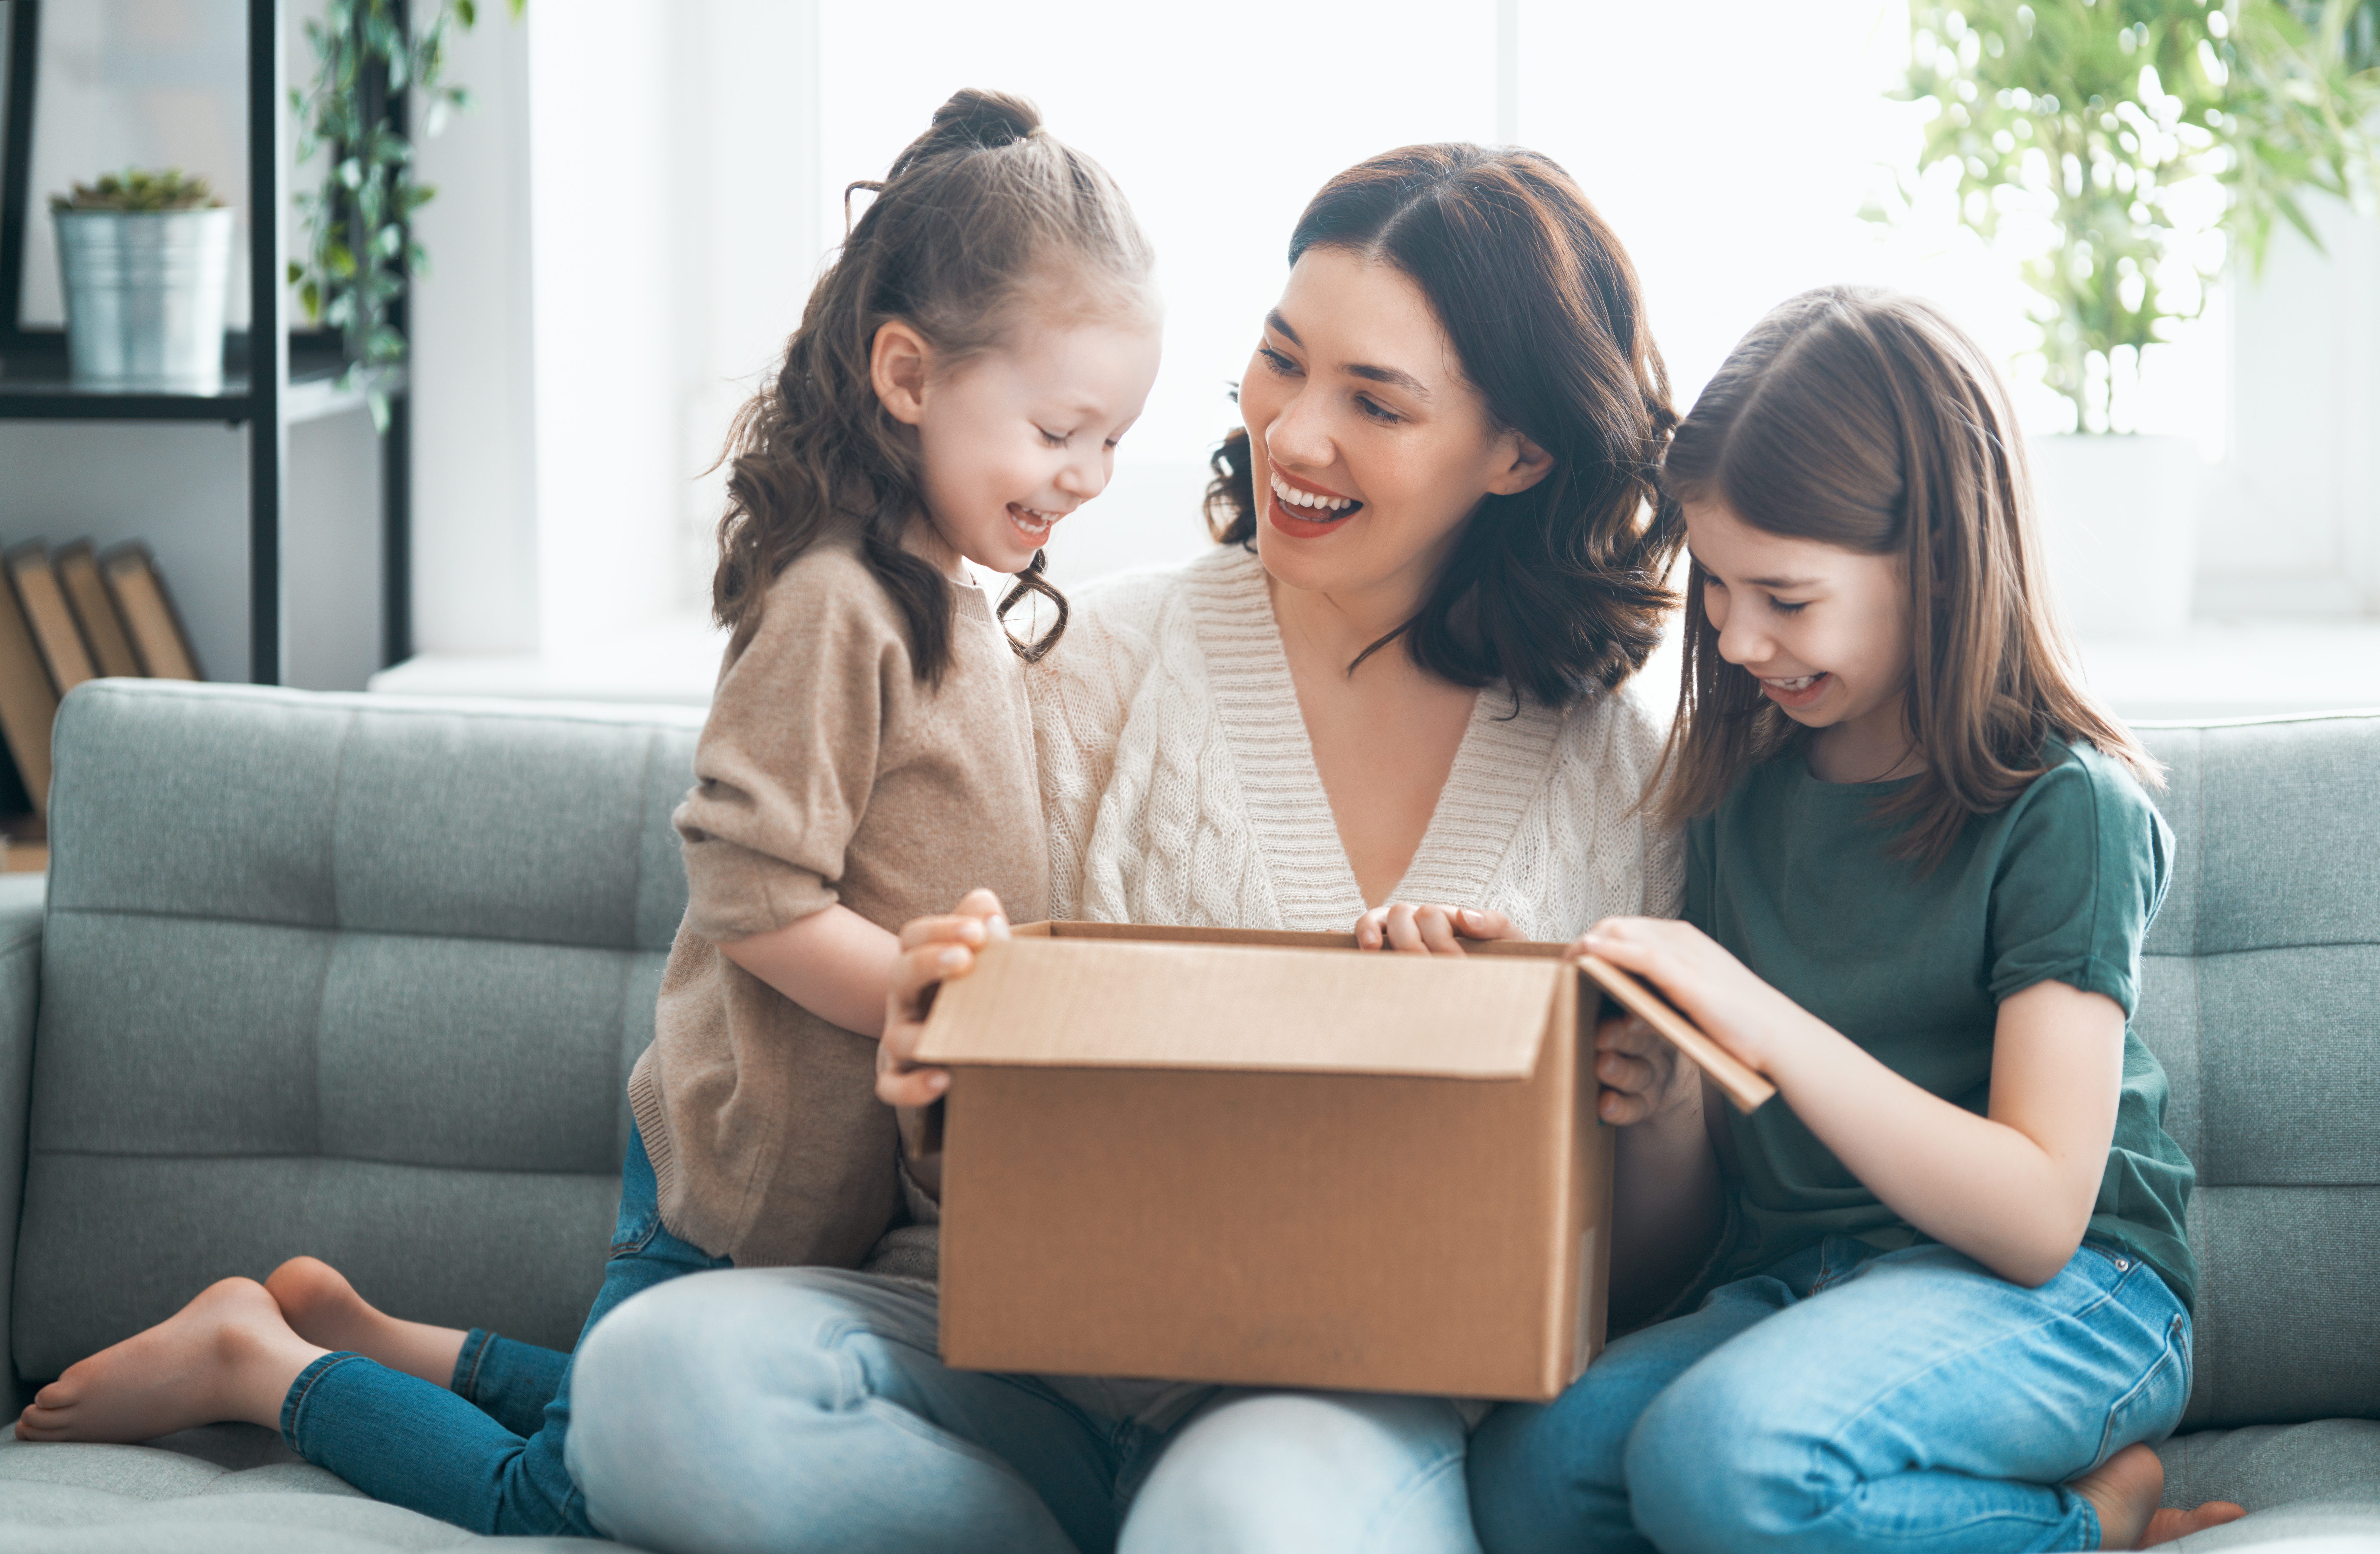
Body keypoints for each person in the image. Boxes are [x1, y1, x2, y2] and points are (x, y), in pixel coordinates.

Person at [11, 87, 1160, 1541]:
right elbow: (753, 892)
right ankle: (265, 1365)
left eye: (1115, 441)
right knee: (569, 1487)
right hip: (730, 1171)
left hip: (828, 1196)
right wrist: (935, 1001)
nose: (1088, 476)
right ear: (908, 374)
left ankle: (368, 1334)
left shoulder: (961, 608)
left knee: (628, 1412)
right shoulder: (836, 605)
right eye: (1061, 428)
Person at [565, 142, 1688, 1554]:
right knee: (653, 1383)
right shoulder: (1088, 657)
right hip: (1006, 1340)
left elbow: (1641, 1265)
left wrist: (1650, 1107)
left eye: (1377, 403)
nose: (1292, 436)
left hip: (1323, 1405)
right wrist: (939, 1065)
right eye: (1281, 363)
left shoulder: (1612, 768)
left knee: (1241, 1522)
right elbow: (935, 1045)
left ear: (1519, 452)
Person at [1462, 286, 2248, 1553]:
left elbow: (2040, 1210)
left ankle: (2094, 1521)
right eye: (1716, 587)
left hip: (2073, 1297)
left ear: (1936, 564)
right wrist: (1666, 1096)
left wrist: (1753, 1012)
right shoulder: (1740, 793)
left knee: (1722, 1462)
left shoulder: (2068, 811)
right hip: (1807, 1288)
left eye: (1784, 593)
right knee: (1532, 1470)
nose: (1735, 633)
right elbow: (1698, 1236)